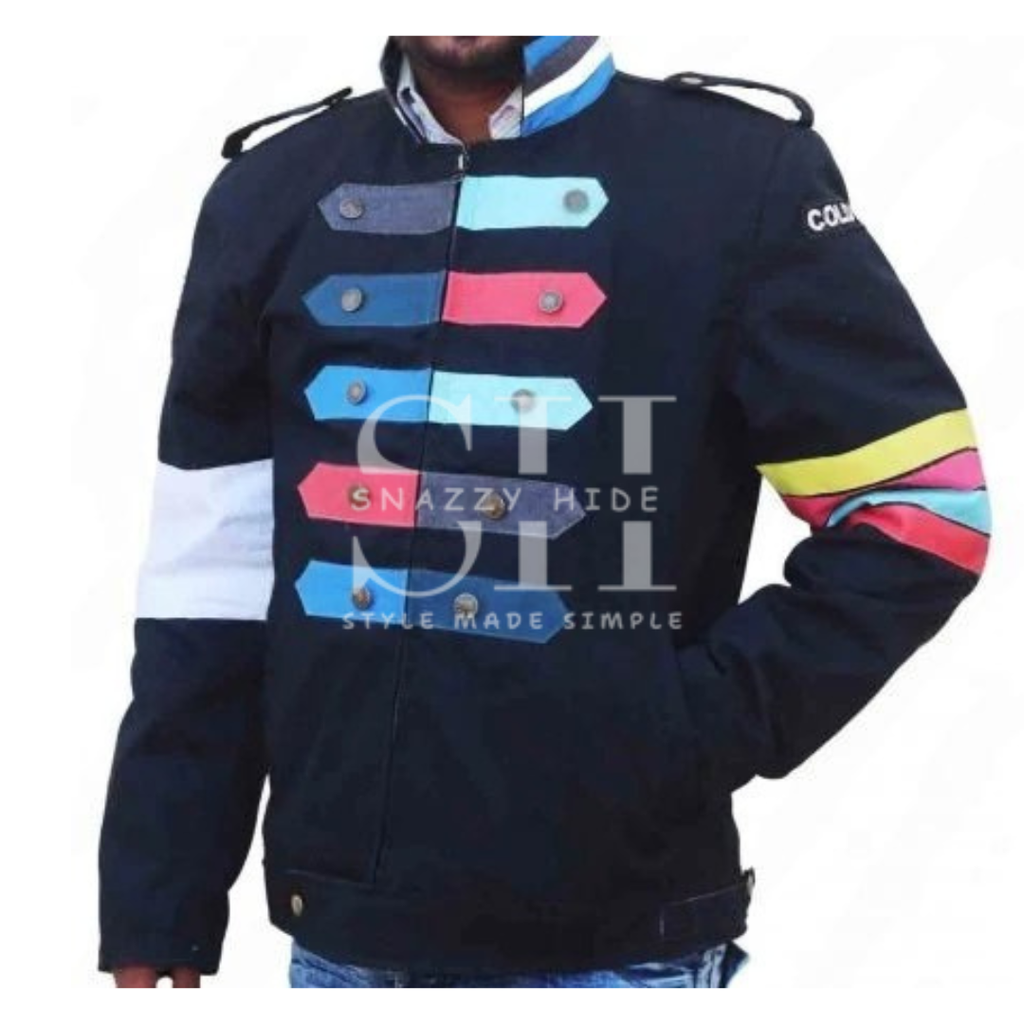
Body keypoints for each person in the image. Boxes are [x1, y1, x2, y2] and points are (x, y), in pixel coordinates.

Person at [99, 36, 990, 988]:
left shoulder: (741, 174)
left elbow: (923, 509)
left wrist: (683, 731)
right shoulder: (269, 189)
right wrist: (161, 897)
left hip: (624, 951)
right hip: (343, 945)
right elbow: (214, 574)